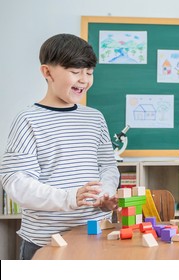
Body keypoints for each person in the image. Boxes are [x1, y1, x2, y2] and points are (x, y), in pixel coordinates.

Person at [0, 34, 119, 260]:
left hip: (95, 238)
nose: (84, 80)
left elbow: (107, 166)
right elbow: (16, 181)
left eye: (90, 72)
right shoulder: (28, 119)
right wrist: (70, 197)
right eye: (75, 72)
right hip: (46, 243)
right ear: (47, 72)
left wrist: (106, 194)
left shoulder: (95, 118)